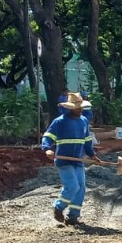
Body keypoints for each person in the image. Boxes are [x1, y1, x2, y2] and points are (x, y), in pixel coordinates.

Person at [42, 92, 96, 226]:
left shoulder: (83, 121)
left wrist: (92, 155)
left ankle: (73, 216)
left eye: (81, 107)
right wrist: (47, 148)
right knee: (72, 186)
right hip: (64, 160)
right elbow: (48, 136)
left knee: (81, 188)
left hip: (78, 160)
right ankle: (58, 207)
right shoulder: (60, 121)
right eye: (77, 107)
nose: (80, 109)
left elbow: (87, 140)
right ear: (70, 108)